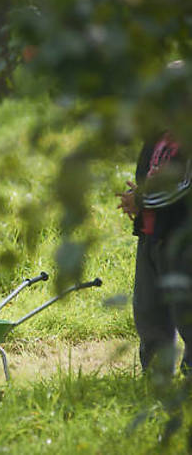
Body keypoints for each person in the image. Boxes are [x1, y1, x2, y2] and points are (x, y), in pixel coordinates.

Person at [118, 74, 192, 376]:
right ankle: (156, 375)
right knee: (148, 311)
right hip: (151, 236)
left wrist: (143, 200)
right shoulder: (157, 137)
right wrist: (135, 199)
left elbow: (183, 186)